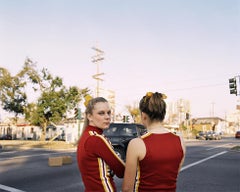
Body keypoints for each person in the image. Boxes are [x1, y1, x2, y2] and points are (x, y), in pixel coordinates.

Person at [122, 92, 186, 192]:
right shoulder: (180, 141)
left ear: (143, 115)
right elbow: (172, 175)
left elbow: (127, 188)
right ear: (163, 114)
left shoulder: (137, 144)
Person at [77, 96, 125, 192]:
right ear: (89, 116)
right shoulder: (96, 139)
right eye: (101, 113)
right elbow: (121, 171)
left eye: (109, 112)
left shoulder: (86, 137)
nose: (107, 117)